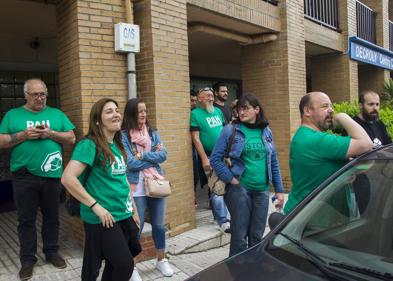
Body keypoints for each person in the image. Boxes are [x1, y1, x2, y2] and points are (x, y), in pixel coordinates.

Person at [0, 78, 75, 280]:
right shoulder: (13, 115)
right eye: (35, 94)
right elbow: (2, 141)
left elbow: (71, 138)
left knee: (52, 217)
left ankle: (51, 252)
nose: (40, 98)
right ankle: (27, 260)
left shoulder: (56, 114)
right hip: (24, 176)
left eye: (43, 94)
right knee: (26, 220)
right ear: (26, 95)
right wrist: (24, 135)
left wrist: (49, 133)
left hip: (52, 175)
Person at [62, 98, 141, 281]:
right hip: (104, 218)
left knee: (114, 265)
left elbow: (122, 182)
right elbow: (67, 178)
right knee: (125, 264)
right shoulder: (89, 145)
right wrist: (96, 206)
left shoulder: (118, 145)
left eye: (116, 110)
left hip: (123, 214)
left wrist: (133, 210)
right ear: (97, 120)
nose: (116, 114)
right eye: (109, 111)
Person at [210, 93, 285, 256]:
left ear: (257, 109)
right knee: (239, 237)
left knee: (257, 236)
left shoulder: (266, 131)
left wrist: (279, 190)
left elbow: (273, 160)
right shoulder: (230, 130)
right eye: (239, 109)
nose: (241, 112)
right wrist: (231, 179)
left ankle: (253, 270)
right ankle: (237, 272)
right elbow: (215, 159)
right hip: (240, 190)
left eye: (245, 108)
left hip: (262, 190)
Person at [283, 91, 373, 214]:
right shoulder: (315, 140)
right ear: (307, 111)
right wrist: (342, 117)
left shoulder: (306, 136)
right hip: (313, 220)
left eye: (331, 106)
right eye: (325, 106)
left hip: (308, 214)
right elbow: (366, 144)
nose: (331, 110)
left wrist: (346, 172)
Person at [121, 98, 174, 279]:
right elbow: (130, 163)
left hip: (155, 183)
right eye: (139, 111)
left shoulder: (153, 133)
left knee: (159, 225)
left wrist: (142, 154)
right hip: (136, 187)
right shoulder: (123, 136)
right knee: (137, 227)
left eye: (145, 111)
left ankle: (161, 260)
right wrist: (152, 156)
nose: (143, 114)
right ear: (131, 114)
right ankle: (132, 266)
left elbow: (163, 155)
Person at [190, 87, 230, 233]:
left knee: (223, 186)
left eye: (212, 95)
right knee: (215, 187)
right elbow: (195, 139)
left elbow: (226, 131)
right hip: (209, 155)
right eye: (207, 96)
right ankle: (222, 220)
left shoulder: (218, 112)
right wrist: (204, 158)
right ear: (199, 98)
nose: (211, 98)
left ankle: (219, 216)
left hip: (224, 155)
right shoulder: (195, 114)